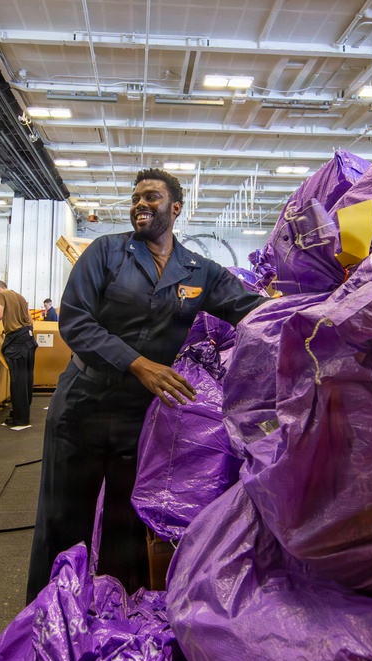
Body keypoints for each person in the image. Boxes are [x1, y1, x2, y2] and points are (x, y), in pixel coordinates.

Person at [26, 168, 266, 601]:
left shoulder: (198, 272)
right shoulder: (105, 253)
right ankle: (46, 620)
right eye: (136, 197)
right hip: (82, 403)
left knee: (126, 521)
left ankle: (116, 616)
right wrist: (138, 363)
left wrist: (316, 305)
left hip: (140, 416)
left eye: (151, 197)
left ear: (175, 208)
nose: (140, 203)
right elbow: (76, 323)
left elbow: (252, 310)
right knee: (64, 518)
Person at [0, 280, 37, 426]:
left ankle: (20, 418)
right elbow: (30, 321)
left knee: (17, 380)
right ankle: (22, 412)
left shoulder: (1, 295)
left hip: (17, 343)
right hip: (29, 338)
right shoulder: (19, 296)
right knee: (26, 379)